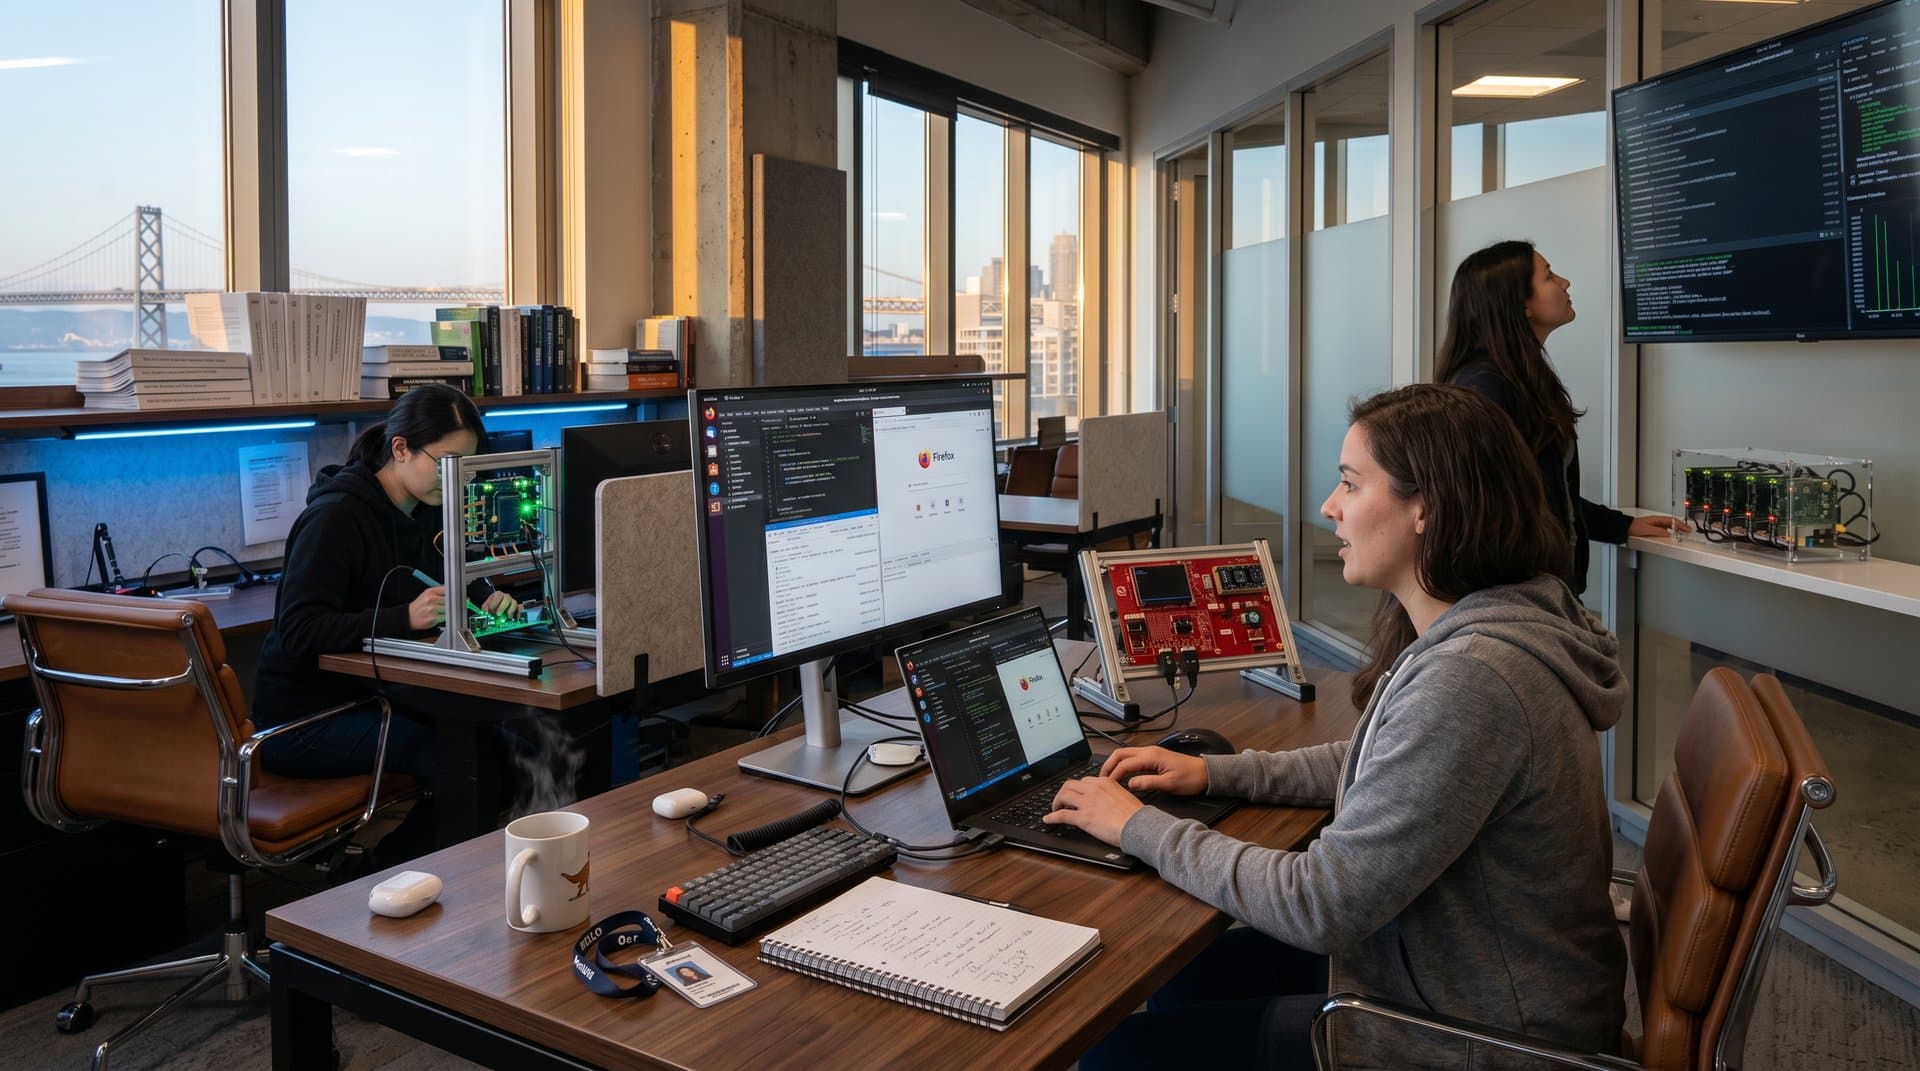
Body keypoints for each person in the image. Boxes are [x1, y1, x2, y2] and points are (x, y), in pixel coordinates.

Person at [1045, 384, 1628, 1070]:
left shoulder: (1474, 680)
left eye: (1351, 483)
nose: (1329, 506)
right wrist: (1216, 771)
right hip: (1458, 975)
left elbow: (1319, 902)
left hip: (1486, 1037)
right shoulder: (1501, 620)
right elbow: (1386, 757)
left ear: (1426, 508)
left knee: (1114, 1053)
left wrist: (1137, 826)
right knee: (1186, 975)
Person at [253, 383, 519, 865]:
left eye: (465, 467)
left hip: (375, 699)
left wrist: (484, 596)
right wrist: (404, 617)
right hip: (304, 721)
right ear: (400, 449)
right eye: (446, 463)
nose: (454, 481)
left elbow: (441, 569)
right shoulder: (335, 517)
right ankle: (372, 887)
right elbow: (298, 630)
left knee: (499, 751)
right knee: (461, 759)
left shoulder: (421, 509)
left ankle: (409, 880)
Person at [1438, 240, 1684, 594]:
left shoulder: (1519, 379)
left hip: (1543, 592)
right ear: (1521, 304)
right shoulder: (1484, 389)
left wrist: (1622, 526)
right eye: (1549, 276)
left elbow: (1545, 494)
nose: (1565, 283)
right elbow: (1484, 509)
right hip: (1518, 600)